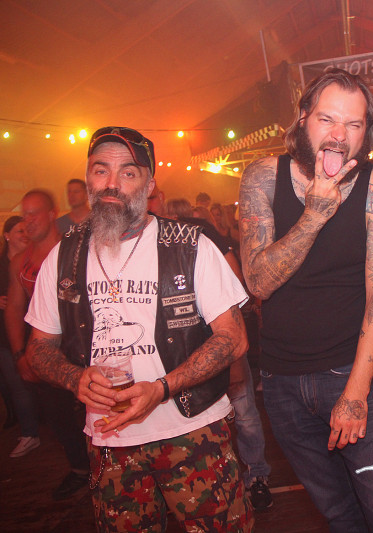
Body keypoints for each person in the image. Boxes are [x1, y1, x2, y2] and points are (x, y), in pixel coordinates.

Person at [23, 126, 253, 531]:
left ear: (149, 186)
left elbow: (233, 339)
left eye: (127, 173)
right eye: (101, 171)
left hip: (191, 431)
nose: (111, 183)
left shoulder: (189, 246)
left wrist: (162, 389)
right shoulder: (64, 256)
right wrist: (75, 378)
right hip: (109, 442)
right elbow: (38, 348)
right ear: (89, 179)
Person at [239, 69, 373, 532]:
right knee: (338, 514)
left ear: (365, 133)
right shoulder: (263, 177)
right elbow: (258, 282)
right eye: (327, 119)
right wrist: (314, 215)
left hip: (350, 373)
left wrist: (356, 393)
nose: (340, 134)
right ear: (303, 119)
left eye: (354, 124)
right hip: (281, 381)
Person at [163, 197, 274, 511]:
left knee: (244, 411)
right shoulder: (146, 243)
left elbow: (235, 278)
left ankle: (257, 475)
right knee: (204, 418)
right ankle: (216, 484)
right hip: (183, 353)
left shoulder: (201, 233)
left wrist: (230, 334)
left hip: (221, 340)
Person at [7, 189, 91, 499]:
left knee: (96, 410)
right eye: (24, 214)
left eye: (34, 213)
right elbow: (15, 308)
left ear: (52, 213)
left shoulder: (76, 250)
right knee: (58, 416)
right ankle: (80, 469)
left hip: (83, 347)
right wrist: (20, 353)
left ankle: (109, 467)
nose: (27, 220)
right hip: (46, 350)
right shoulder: (20, 262)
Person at [1, 216, 40, 451]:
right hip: (6, 335)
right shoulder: (3, 265)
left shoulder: (34, 260)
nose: (25, 235)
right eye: (19, 231)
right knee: (15, 383)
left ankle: (35, 427)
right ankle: (27, 431)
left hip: (32, 332)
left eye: (26, 230)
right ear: (7, 236)